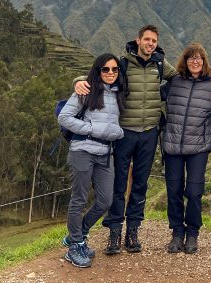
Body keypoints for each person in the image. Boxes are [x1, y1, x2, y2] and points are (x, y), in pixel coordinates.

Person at [74, 25, 178, 255]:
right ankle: (114, 232)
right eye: (147, 40)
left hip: (150, 132)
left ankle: (133, 231)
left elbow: (179, 77)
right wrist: (78, 81)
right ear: (138, 40)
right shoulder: (122, 64)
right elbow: (98, 74)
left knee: (140, 183)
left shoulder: (159, 64)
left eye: (154, 41)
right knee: (119, 184)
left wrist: (207, 76)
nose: (150, 44)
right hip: (124, 132)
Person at [58, 53, 126, 268]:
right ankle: (75, 245)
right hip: (82, 150)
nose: (110, 73)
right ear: (98, 71)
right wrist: (94, 130)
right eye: (105, 69)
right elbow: (64, 117)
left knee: (105, 200)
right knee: (79, 199)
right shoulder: (85, 91)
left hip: (105, 153)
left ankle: (77, 234)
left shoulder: (119, 93)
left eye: (115, 69)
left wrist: (115, 133)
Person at [161, 43, 211, 254]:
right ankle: (177, 233)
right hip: (172, 146)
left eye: (199, 58)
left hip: (198, 148)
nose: (195, 61)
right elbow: (149, 96)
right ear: (185, 61)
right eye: (191, 58)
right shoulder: (174, 82)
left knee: (195, 192)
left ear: (204, 61)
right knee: (174, 192)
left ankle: (192, 233)